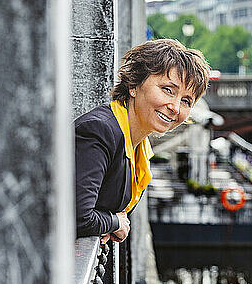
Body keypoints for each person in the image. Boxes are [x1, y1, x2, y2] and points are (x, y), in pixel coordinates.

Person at [75, 38, 210, 242]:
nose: (175, 107)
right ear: (134, 85)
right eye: (167, 90)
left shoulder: (138, 143)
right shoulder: (99, 131)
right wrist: (115, 222)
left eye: (185, 101)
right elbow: (77, 218)